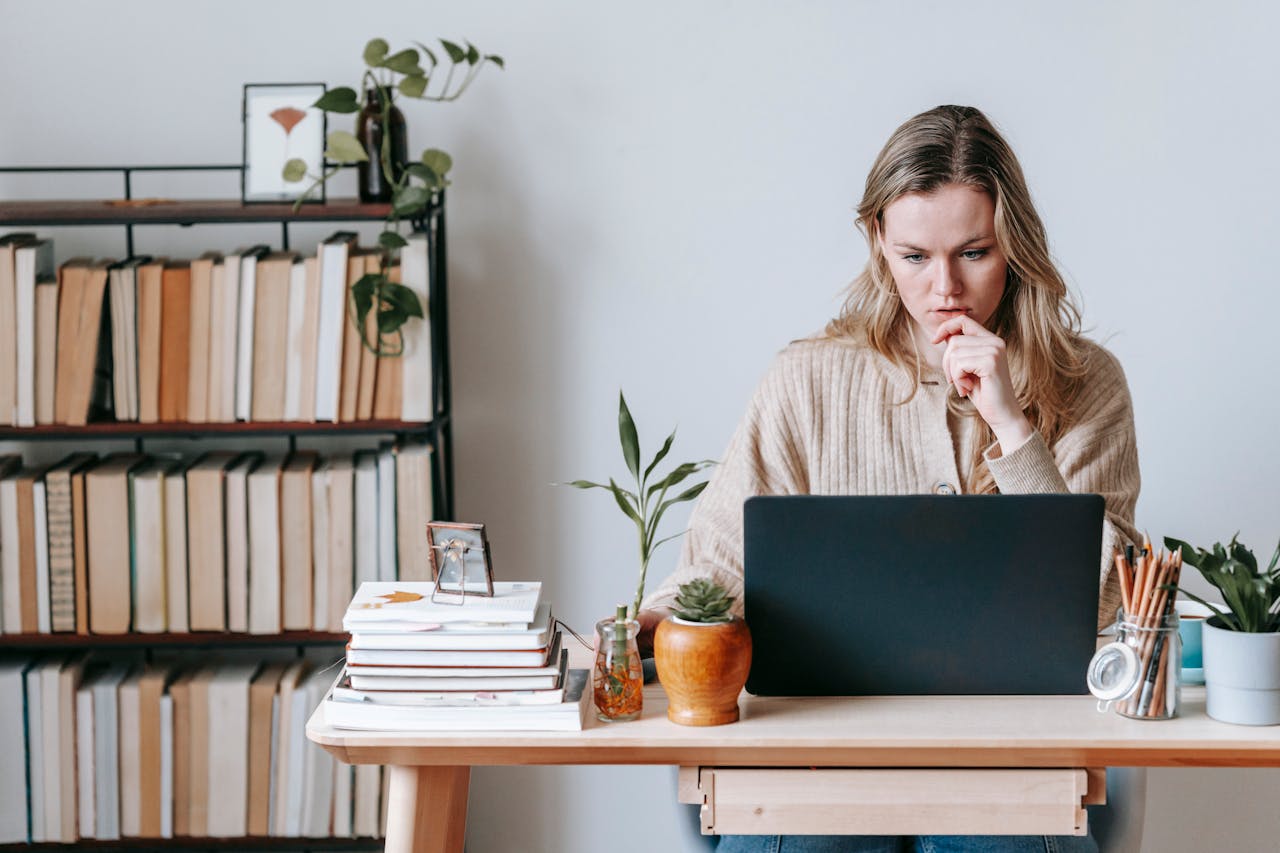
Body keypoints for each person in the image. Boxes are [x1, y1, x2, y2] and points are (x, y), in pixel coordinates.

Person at [637, 105, 1141, 853]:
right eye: (914, 257)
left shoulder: (1087, 382)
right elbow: (718, 565)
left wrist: (1012, 426)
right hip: (819, 760)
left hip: (1014, 765)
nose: (946, 288)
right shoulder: (805, 379)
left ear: (1016, 244)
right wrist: (637, 633)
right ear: (877, 241)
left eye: (973, 252)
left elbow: (1113, 604)